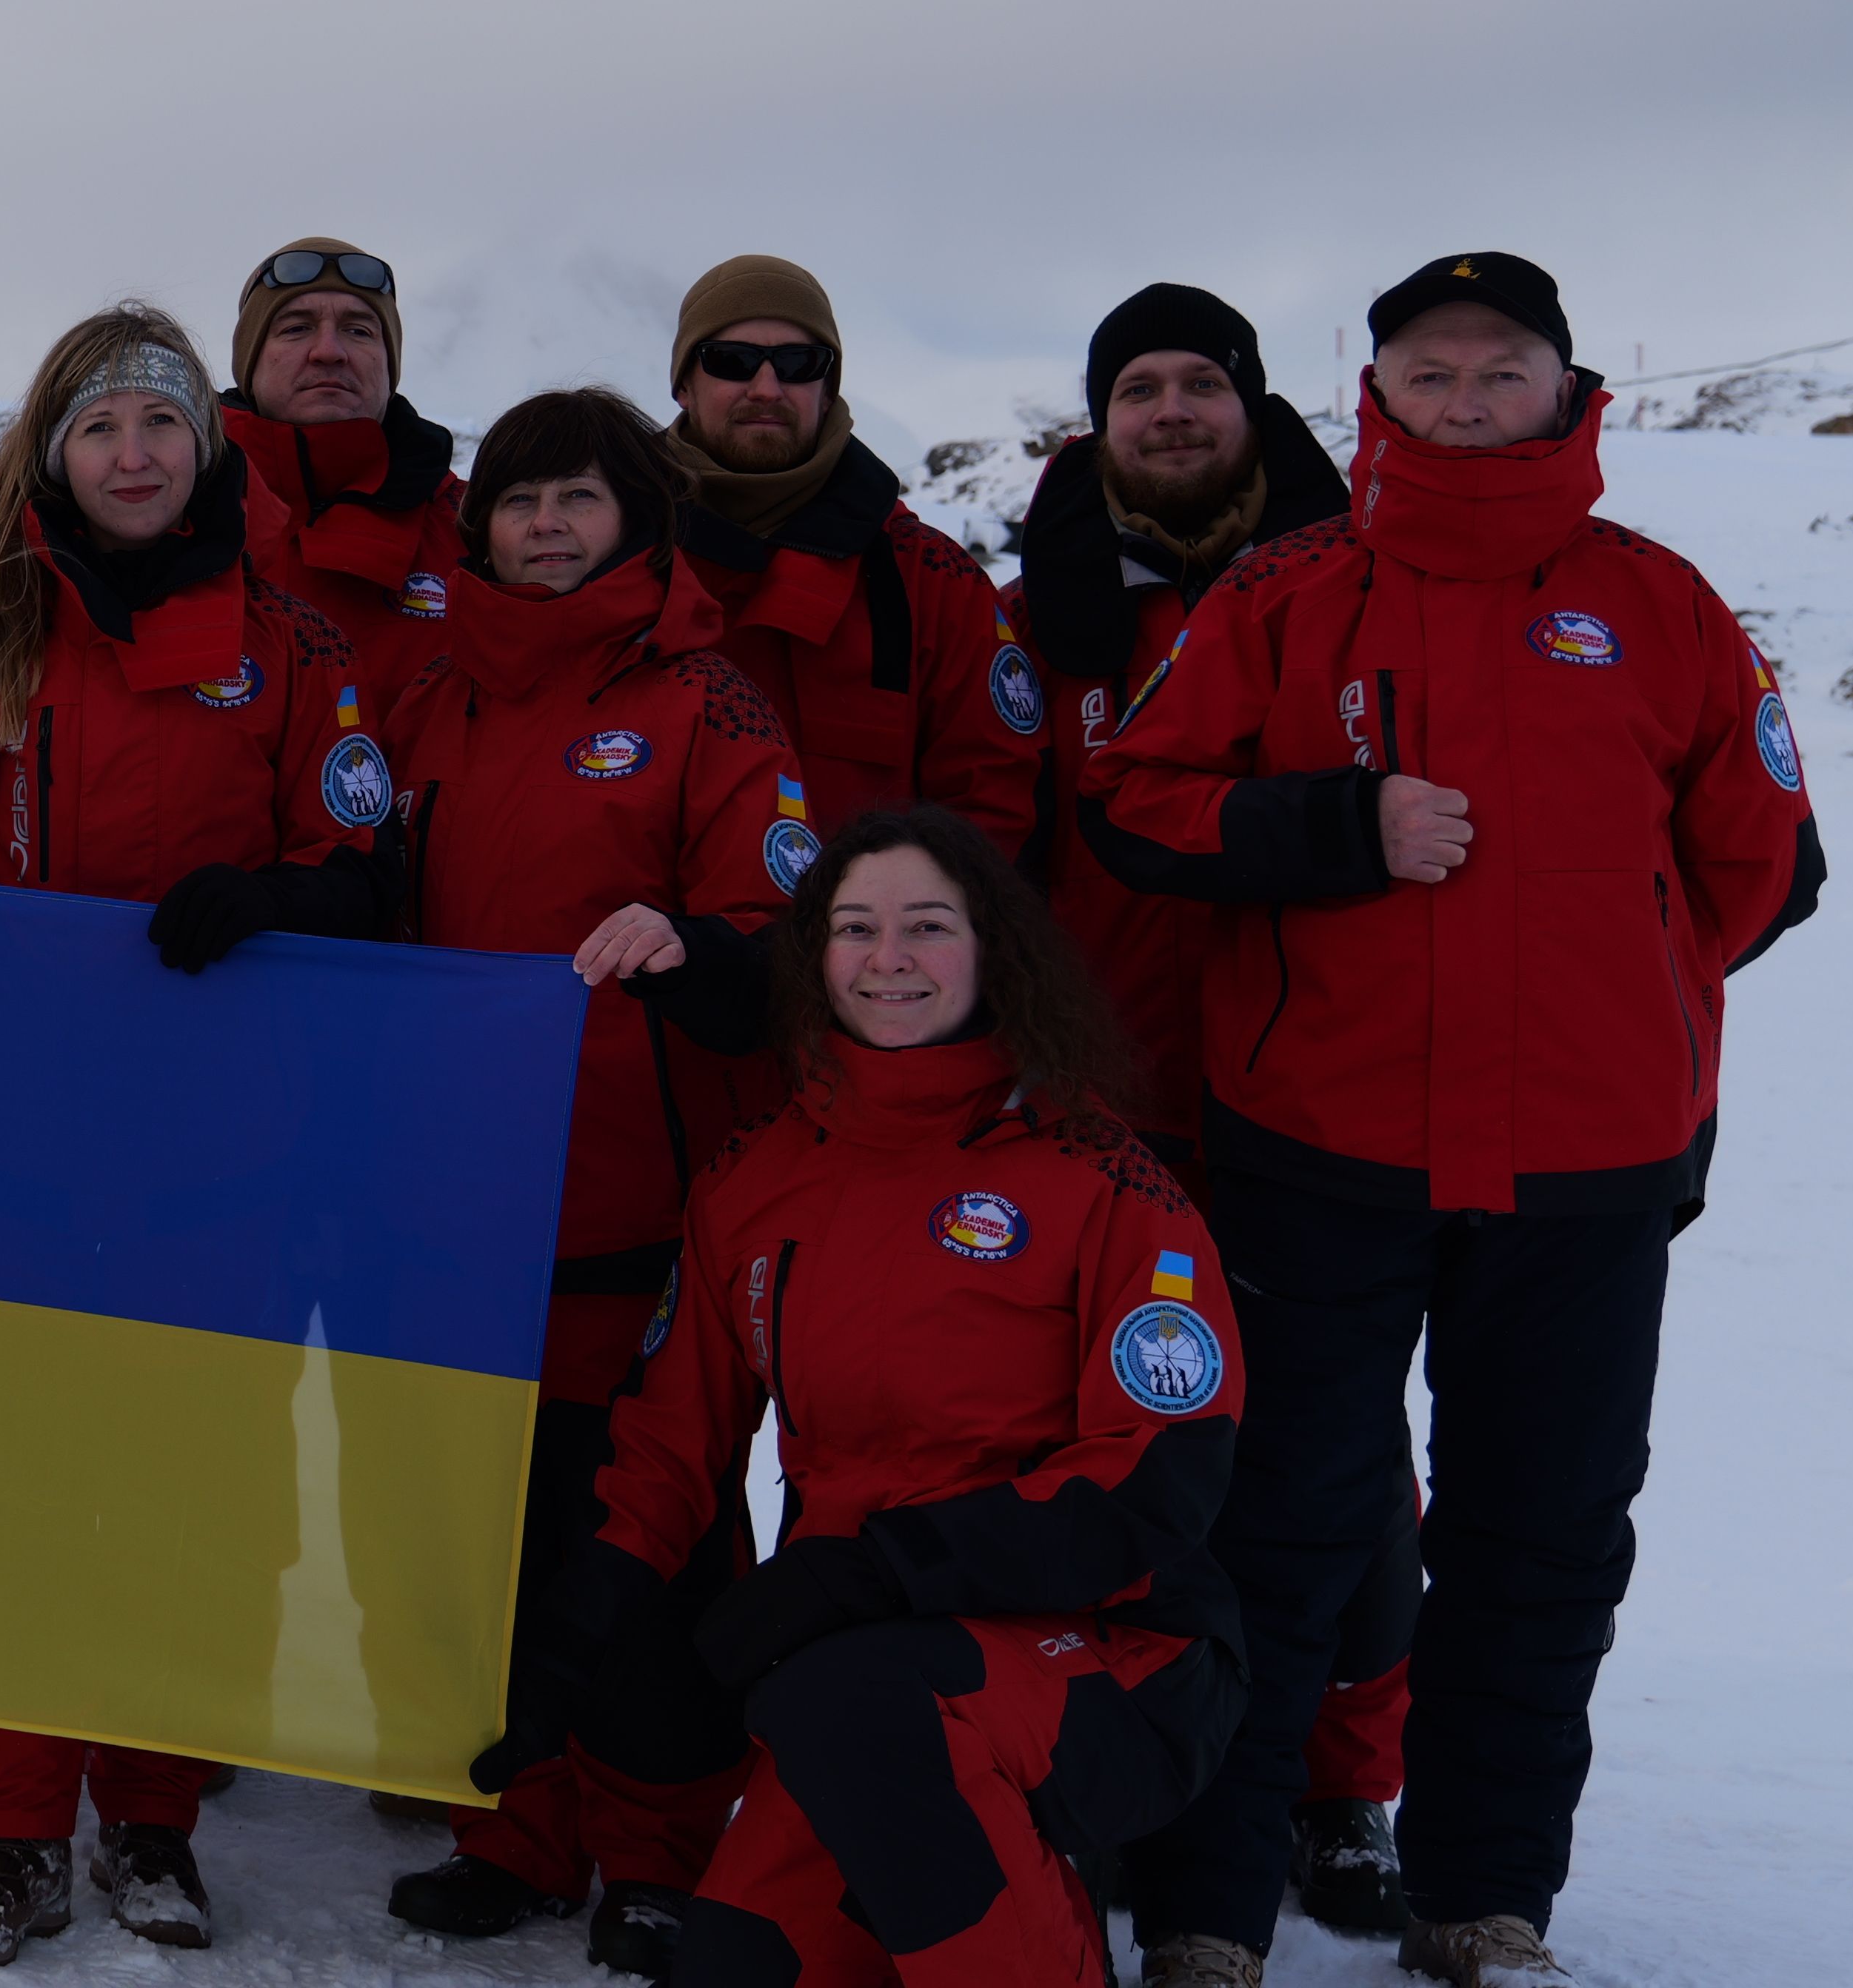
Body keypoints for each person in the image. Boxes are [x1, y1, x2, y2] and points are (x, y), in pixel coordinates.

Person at [1088, 253, 1823, 1988]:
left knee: (1540, 1535)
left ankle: (1482, 1902)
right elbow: (1143, 801)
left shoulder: (1665, 605)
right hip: (1316, 1147)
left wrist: (1613, 987)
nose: (1468, 394)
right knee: (1279, 1528)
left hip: (1588, 1170)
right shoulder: (1283, 589)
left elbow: (1761, 860)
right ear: (1379, 395)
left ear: (1566, 390)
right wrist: (1337, 830)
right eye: (1433, 370)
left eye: (1501, 367)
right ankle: (1208, 1910)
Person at [0, 304, 402, 1965]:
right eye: (101, 428)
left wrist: (280, 898)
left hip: (216, 1145)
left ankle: (153, 1815)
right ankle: (16, 1832)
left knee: (195, 1484)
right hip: (6, 1138)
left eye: (163, 423)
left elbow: (367, 866)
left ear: (207, 447)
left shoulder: (295, 643)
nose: (136, 454)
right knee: (8, 1475)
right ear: (55, 453)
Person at [490, 808, 1248, 1985]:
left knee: (865, 1697)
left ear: (995, 949)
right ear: (813, 958)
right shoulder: (752, 1182)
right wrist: (562, 1653)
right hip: (854, 1679)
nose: (889, 958)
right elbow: (666, 1449)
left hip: (1113, 1654)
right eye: (855, 928)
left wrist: (873, 1570)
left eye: (928, 926)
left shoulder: (1106, 1179)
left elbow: (1156, 1485)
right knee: (736, 1961)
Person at [373, 385, 805, 1975]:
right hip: (451, 1204)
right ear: (477, 522)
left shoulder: (710, 703)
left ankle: (661, 1843)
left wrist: (694, 944)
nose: (548, 525)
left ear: (641, 519)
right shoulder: (427, 696)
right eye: (521, 498)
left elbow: (784, 931)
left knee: (645, 1536)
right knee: (482, 1527)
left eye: (584, 498)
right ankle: (518, 1819)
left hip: (635, 1199)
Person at [1008, 282, 1415, 1939]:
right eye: (1138, 388)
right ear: (1099, 420)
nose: (1170, 410)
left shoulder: (1358, 587)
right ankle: (1110, 1762)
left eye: (1201, 383)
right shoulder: (1028, 613)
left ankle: (1340, 1780)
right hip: (1097, 1112)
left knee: (1339, 1469)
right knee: (1098, 1453)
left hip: (1315, 1105)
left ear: (1255, 403)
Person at [664, 257, 1040, 857]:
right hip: (649, 947)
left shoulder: (930, 579)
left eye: (799, 364)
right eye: (731, 361)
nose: (767, 388)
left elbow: (989, 801)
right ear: (683, 383)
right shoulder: (611, 553)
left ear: (828, 385)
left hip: (863, 947)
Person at [218, 236, 470, 699]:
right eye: (296, 328)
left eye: (359, 330)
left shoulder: (480, 528)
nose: (329, 351)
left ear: (388, 363)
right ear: (249, 363)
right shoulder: (163, 511)